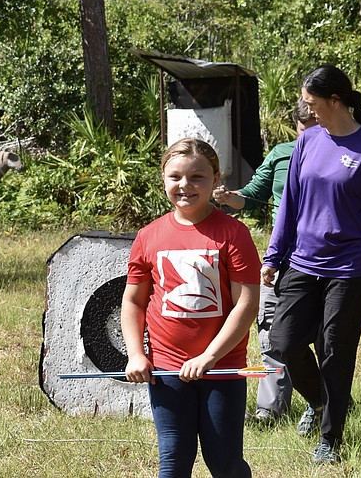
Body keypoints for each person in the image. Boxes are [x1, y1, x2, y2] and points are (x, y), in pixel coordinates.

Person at [261, 65, 361, 465]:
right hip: (303, 261)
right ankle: (323, 401)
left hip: (351, 266)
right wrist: (274, 255)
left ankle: (330, 438)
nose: (307, 111)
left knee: (335, 351)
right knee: (283, 342)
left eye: (312, 103)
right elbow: (289, 204)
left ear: (335, 101)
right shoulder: (307, 141)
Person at [122, 137, 262, 478]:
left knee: (225, 463)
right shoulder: (148, 235)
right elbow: (133, 301)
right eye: (175, 177)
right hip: (166, 370)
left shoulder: (233, 234)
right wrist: (136, 355)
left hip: (222, 368)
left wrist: (209, 357)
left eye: (197, 177)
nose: (185, 185)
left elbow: (246, 304)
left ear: (216, 179)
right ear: (163, 179)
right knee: (173, 462)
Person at [212, 99, 323, 427]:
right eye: (303, 131)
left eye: (317, 130)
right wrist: (228, 197)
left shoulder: (339, 154)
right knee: (271, 333)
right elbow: (249, 196)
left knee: (321, 338)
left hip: (323, 264)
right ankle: (270, 411)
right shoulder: (281, 154)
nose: (309, 138)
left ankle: (324, 401)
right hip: (280, 262)